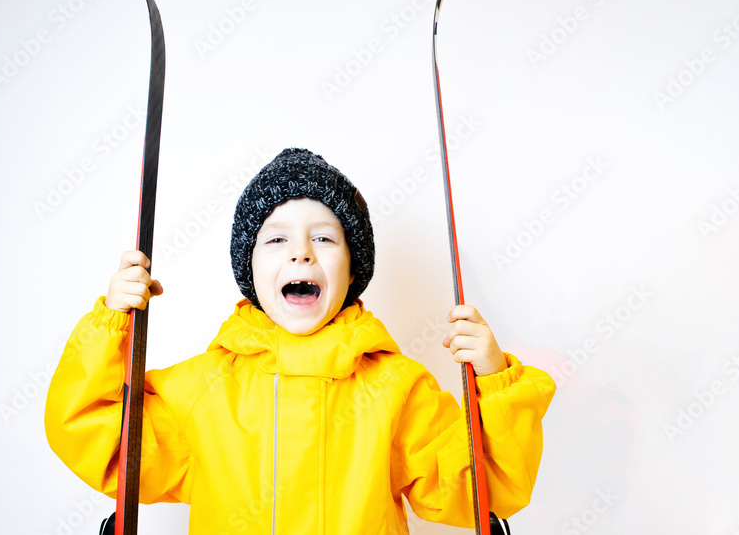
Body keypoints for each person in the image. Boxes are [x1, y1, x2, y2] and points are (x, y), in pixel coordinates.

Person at [45, 147, 555, 533]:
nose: (301, 254)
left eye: (325, 237)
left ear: (354, 266)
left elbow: (485, 490)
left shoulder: (396, 391)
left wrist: (494, 380)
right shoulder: (204, 389)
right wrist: (111, 323)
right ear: (250, 266)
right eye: (276, 239)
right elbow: (97, 438)